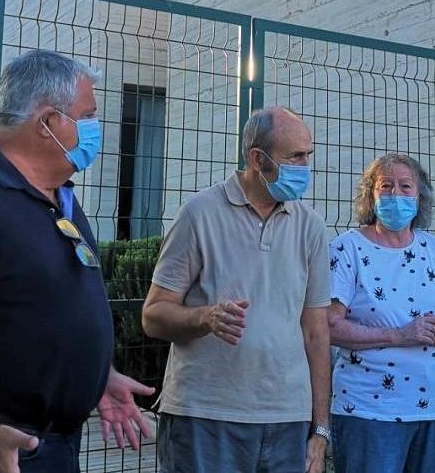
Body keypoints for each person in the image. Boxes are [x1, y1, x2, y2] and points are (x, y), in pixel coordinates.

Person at [0, 50, 153, 473]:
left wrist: (98, 377)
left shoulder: (59, 196)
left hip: (53, 447)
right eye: (88, 115)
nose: (96, 128)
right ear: (47, 124)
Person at [142, 106, 331, 473]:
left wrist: (320, 429)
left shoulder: (310, 226)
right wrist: (205, 317)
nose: (305, 165)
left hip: (286, 420)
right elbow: (153, 315)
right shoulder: (199, 214)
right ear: (257, 159)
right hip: (205, 417)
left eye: (308, 155)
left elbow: (317, 331)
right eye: (295, 156)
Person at [326, 153, 435, 473]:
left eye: (406, 187)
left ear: (420, 197)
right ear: (370, 195)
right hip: (371, 411)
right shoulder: (347, 248)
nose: (396, 195)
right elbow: (328, 326)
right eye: (386, 186)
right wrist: (400, 335)